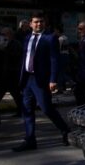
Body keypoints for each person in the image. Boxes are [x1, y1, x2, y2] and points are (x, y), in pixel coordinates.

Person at [13, 13, 70, 152]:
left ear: (45, 23)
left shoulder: (50, 38)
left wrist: (53, 79)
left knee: (46, 108)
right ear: (31, 24)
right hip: (27, 79)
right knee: (27, 110)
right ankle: (30, 139)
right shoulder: (27, 38)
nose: (38, 24)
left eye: (41, 22)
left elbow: (54, 60)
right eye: (36, 22)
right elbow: (25, 58)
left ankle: (65, 130)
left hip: (42, 80)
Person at [0, 27, 23, 118]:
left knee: (16, 94)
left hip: (12, 73)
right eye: (1, 34)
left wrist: (5, 50)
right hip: (4, 74)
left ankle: (22, 111)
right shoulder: (1, 44)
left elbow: (17, 57)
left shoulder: (16, 44)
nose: (2, 36)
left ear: (10, 35)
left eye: (4, 34)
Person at [54, 25, 70, 94]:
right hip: (66, 55)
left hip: (61, 56)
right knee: (63, 71)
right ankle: (63, 86)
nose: (55, 32)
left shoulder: (60, 39)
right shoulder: (66, 37)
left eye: (55, 31)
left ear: (58, 31)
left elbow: (59, 49)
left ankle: (71, 82)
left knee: (60, 72)